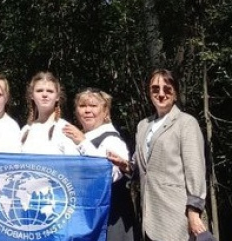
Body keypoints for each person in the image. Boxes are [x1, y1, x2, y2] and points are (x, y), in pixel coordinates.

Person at [110, 69, 207, 241]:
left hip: (177, 216)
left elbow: (195, 170)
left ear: (175, 93)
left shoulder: (186, 123)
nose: (161, 94)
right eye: (155, 89)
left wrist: (194, 211)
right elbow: (141, 167)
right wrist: (125, 165)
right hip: (149, 216)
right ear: (149, 92)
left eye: (167, 89)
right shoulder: (143, 126)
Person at [62, 88, 138, 241]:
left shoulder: (112, 139)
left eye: (93, 106)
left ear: (105, 112)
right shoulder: (74, 138)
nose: (87, 110)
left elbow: (111, 175)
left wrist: (83, 143)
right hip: (84, 218)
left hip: (111, 219)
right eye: (83, 106)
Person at [20, 71, 80, 155]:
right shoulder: (25, 131)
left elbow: (73, 165)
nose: (44, 94)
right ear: (32, 96)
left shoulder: (65, 129)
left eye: (50, 91)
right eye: (39, 90)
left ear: (57, 97)